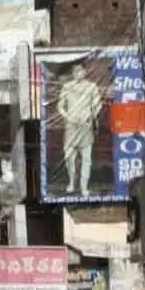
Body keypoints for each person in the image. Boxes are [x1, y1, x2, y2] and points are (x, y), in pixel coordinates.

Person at [57, 63, 104, 196]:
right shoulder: (67, 86)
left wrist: (90, 116)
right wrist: (68, 117)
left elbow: (98, 105)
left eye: (80, 70)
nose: (78, 73)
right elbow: (60, 106)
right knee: (69, 158)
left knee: (86, 159)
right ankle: (72, 182)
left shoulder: (92, 87)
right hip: (71, 125)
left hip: (86, 125)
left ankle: (84, 187)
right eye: (75, 71)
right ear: (72, 73)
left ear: (85, 71)